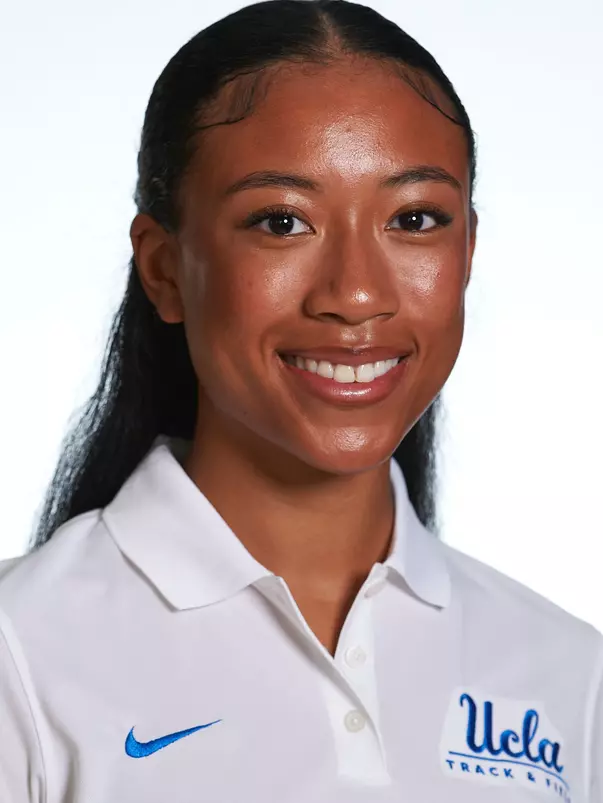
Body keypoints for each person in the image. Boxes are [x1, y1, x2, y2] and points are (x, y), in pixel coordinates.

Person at [0, 0, 600, 800]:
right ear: (164, 268)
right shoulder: (21, 654)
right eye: (282, 221)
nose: (355, 294)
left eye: (414, 218)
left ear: (466, 253)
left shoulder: (568, 675)